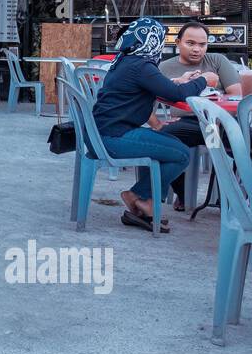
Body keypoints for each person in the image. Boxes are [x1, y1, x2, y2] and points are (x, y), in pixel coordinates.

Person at [91, 17, 209, 233]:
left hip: (103, 133)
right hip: (114, 138)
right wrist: (204, 80)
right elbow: (177, 95)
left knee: (169, 143)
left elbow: (160, 86)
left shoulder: (127, 59)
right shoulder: (142, 65)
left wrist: (179, 80)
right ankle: (138, 196)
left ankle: (145, 202)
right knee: (181, 153)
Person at [155, 21, 242, 211]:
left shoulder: (217, 61)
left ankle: (230, 197)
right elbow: (149, 102)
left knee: (234, 145)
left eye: (202, 44)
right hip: (186, 122)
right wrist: (157, 124)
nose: (197, 49)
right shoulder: (164, 67)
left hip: (217, 124)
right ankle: (183, 194)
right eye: (190, 43)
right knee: (161, 140)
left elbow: (236, 95)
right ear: (178, 43)